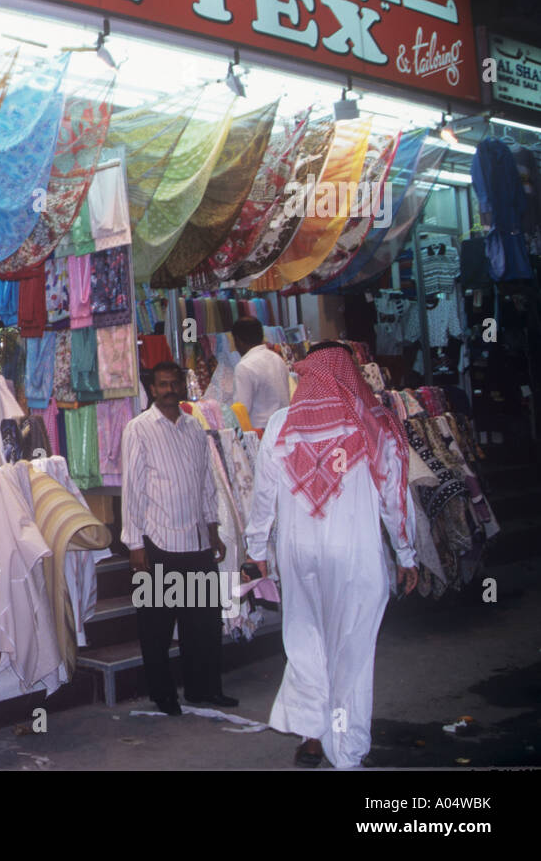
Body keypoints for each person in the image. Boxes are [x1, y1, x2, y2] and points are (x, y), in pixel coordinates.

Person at [243, 343, 417, 768]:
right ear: (349, 373)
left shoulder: (282, 426)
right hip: (355, 557)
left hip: (298, 556)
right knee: (351, 652)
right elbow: (395, 499)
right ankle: (347, 750)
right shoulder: (375, 424)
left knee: (307, 646)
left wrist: (255, 549)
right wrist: (406, 553)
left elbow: (262, 496)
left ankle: (312, 738)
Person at [121, 361, 237, 715]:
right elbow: (132, 488)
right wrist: (135, 544)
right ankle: (164, 694)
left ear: (182, 386)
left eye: (175, 383)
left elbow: (206, 483)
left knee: (203, 622)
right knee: (156, 625)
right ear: (152, 389)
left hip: (197, 541)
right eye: (163, 384)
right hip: (157, 540)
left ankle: (204, 689)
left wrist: (213, 528)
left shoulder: (194, 428)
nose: (170, 389)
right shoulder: (138, 429)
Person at [232, 316, 291, 430]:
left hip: (261, 434)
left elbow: (241, 411)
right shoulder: (277, 359)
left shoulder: (244, 366)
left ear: (238, 340)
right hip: (284, 428)